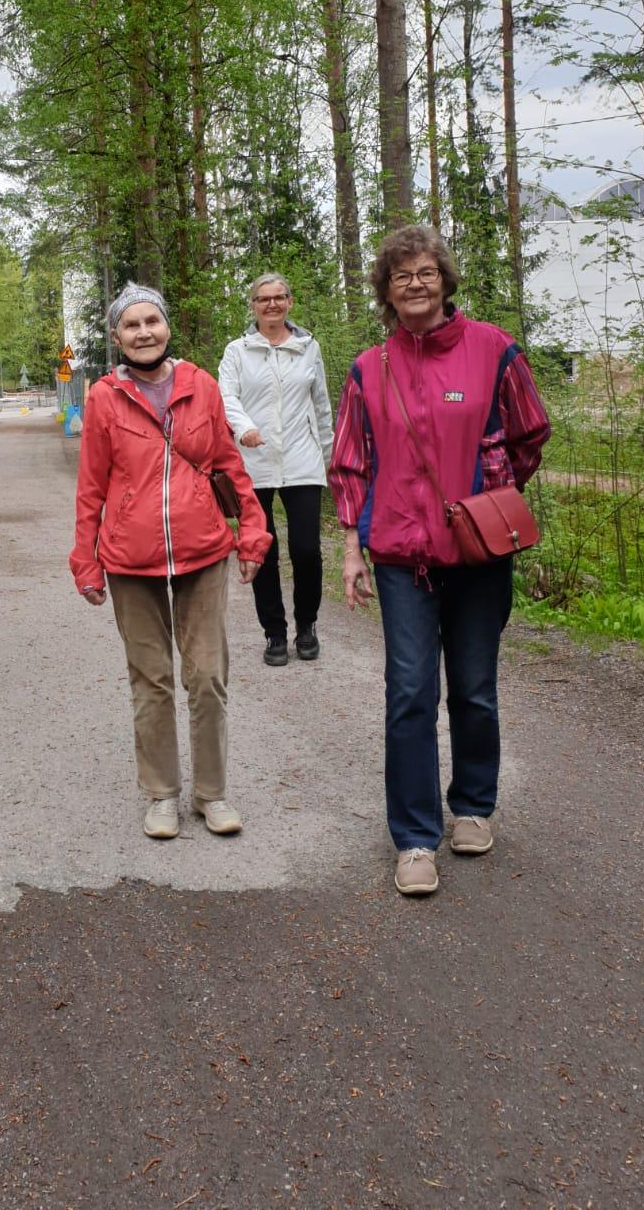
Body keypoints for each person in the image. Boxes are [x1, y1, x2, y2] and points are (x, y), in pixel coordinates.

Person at [328, 227, 550, 896]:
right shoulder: (369, 368)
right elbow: (350, 462)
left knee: (474, 689)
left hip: (478, 554)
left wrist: (494, 493)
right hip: (402, 557)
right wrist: (352, 547)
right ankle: (416, 838)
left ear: (445, 280)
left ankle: (474, 807)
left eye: (426, 272)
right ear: (386, 291)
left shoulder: (493, 350)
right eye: (401, 276)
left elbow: (530, 431)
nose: (415, 284)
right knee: (409, 694)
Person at [70, 284, 272, 840]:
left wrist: (253, 529)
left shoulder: (199, 385)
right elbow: (91, 487)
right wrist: (85, 559)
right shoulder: (104, 397)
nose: (144, 333)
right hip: (129, 560)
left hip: (202, 550)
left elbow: (228, 464)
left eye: (151, 321)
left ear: (166, 326)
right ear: (117, 337)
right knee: (151, 680)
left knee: (207, 675)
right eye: (131, 325)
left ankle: (212, 793)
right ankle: (161, 794)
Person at [218, 272, 336, 666]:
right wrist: (244, 427)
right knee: (262, 550)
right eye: (263, 299)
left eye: (279, 297)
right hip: (253, 463)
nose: (272, 304)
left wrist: (328, 457)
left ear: (290, 301)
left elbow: (321, 403)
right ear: (253, 305)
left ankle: (307, 625)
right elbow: (226, 397)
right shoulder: (237, 351)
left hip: (302, 460)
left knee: (306, 550)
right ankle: (274, 633)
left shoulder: (308, 347)